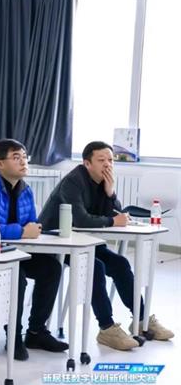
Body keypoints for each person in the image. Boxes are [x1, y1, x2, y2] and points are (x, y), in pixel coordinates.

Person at [39, 141, 174, 350]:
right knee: (96, 266)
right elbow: (82, 219)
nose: (107, 164)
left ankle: (141, 320)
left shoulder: (104, 181)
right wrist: (112, 221)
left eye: (110, 160)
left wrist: (110, 193)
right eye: (101, 160)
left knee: (120, 263)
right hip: (58, 241)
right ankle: (107, 328)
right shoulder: (73, 181)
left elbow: (115, 213)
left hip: (83, 240)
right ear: (87, 163)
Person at [0, 139, 68, 361]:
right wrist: (22, 232)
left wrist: (32, 231)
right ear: (0, 164)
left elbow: (31, 226)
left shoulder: (25, 190)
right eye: (16, 157)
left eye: (24, 157)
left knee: (52, 268)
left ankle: (36, 332)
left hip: (11, 250)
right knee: (15, 275)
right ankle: (14, 336)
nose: (23, 162)